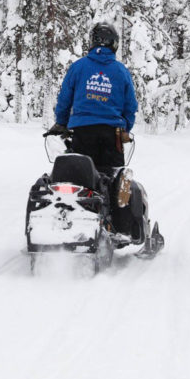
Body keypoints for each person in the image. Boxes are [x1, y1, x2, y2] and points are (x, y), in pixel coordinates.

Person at [49, 22, 152, 244]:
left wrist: (61, 122)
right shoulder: (121, 71)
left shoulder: (78, 67)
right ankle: (119, 227)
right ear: (114, 44)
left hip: (81, 133)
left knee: (79, 178)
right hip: (111, 135)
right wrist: (125, 127)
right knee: (115, 178)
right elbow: (130, 106)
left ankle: (69, 220)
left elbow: (64, 98)